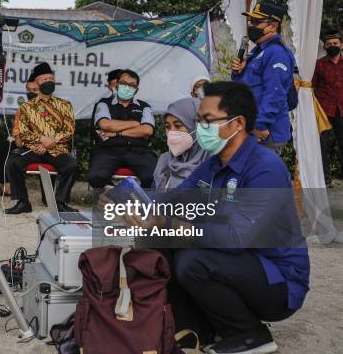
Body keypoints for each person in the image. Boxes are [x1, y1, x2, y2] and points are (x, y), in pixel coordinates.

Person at [117, 82, 310, 354]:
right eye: (199, 121)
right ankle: (195, 329)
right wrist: (135, 201)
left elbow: (237, 238)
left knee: (193, 260)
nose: (201, 128)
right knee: (157, 238)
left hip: (277, 279)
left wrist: (171, 224)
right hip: (237, 264)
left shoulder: (265, 168)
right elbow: (178, 199)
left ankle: (251, 335)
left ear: (238, 123)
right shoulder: (213, 163)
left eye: (208, 120)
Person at [4, 62, 77, 214]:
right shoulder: (26, 107)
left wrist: (50, 142)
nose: (49, 82)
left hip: (57, 149)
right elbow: (23, 133)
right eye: (44, 80)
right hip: (33, 149)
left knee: (70, 164)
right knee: (13, 162)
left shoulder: (65, 105)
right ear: (36, 83)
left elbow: (69, 130)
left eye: (51, 78)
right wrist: (41, 140)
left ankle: (60, 203)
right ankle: (23, 202)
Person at [231, 2, 296, 153]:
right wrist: (238, 72)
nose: (251, 26)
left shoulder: (276, 54)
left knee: (261, 175)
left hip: (266, 132)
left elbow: (274, 94)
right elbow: (245, 87)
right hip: (251, 126)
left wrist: (259, 125)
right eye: (250, 21)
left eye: (256, 22)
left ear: (273, 26)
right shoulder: (257, 52)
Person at [87, 69, 156, 188]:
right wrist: (135, 123)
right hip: (108, 150)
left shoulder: (144, 107)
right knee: (95, 176)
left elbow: (147, 130)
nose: (127, 87)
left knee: (154, 177)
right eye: (124, 83)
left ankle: (141, 202)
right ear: (117, 84)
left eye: (132, 85)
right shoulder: (103, 104)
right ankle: (113, 198)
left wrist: (116, 133)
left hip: (138, 151)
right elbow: (105, 125)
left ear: (136, 89)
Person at [0, 75, 40, 197]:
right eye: (28, 90)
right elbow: (17, 128)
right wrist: (17, 137)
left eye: (35, 90)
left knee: (13, 153)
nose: (31, 92)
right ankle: (4, 183)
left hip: (38, 145)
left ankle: (11, 185)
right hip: (22, 143)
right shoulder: (22, 108)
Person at [152, 97, 209, 190]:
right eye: (167, 126)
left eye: (178, 126)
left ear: (197, 126)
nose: (171, 132)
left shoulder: (213, 163)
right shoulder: (165, 161)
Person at [313, 29, 343, 183]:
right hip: (324, 111)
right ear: (324, 47)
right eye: (329, 44)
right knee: (322, 146)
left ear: (341, 45)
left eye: (335, 43)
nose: (332, 46)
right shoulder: (319, 65)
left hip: (342, 110)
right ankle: (324, 179)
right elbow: (313, 85)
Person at [89, 69, 122, 144]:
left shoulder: (139, 105)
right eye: (115, 85)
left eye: (121, 84)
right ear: (109, 87)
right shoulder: (102, 104)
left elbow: (144, 131)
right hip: (108, 148)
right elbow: (96, 131)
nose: (118, 87)